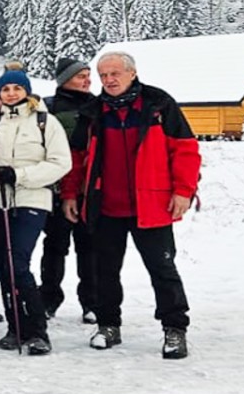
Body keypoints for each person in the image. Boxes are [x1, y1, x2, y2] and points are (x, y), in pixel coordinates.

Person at [62, 51, 200, 359]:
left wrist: (184, 191)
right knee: (104, 271)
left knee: (162, 269)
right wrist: (71, 194)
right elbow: (77, 159)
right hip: (106, 206)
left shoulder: (159, 104)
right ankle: (109, 326)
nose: (109, 80)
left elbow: (185, 150)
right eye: (103, 75)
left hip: (152, 205)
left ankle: (174, 329)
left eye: (115, 74)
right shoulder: (93, 111)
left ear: (132, 73)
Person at [0, 66, 72, 356]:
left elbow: (60, 163)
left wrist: (20, 175)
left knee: (18, 263)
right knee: (3, 264)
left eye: (16, 88)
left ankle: (37, 330)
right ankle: (16, 327)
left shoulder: (44, 122)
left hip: (30, 200)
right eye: (5, 89)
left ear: (26, 91)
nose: (11, 93)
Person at [41, 57, 98, 322]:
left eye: (88, 75)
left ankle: (92, 303)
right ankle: (49, 299)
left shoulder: (99, 105)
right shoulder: (48, 108)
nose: (87, 80)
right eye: (80, 76)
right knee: (55, 249)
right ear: (65, 79)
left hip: (91, 190)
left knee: (90, 250)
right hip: (57, 189)